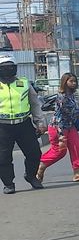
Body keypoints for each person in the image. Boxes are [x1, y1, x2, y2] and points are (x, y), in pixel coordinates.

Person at [0, 55, 46, 194]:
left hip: (24, 124)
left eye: (11, 67)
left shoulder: (24, 83)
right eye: (4, 67)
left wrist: (40, 122)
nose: (8, 70)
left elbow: (35, 104)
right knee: (3, 158)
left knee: (34, 153)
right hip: (3, 126)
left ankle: (31, 176)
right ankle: (8, 184)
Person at [36, 72, 79, 183]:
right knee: (59, 152)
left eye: (75, 81)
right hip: (58, 127)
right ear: (65, 82)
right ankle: (41, 166)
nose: (74, 83)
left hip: (71, 126)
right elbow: (59, 117)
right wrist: (61, 136)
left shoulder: (73, 95)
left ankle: (77, 174)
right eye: (71, 81)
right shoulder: (62, 97)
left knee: (76, 149)